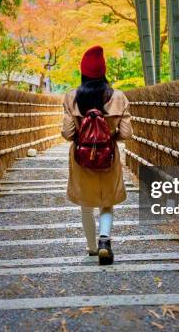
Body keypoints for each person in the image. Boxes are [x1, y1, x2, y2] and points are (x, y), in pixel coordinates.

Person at [61, 45, 133, 265]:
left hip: (82, 159)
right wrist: (108, 136)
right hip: (108, 158)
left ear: (83, 72)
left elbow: (67, 133)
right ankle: (104, 240)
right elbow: (127, 134)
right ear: (103, 72)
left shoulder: (71, 97)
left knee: (86, 203)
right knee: (106, 202)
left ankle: (92, 248)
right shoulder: (118, 97)